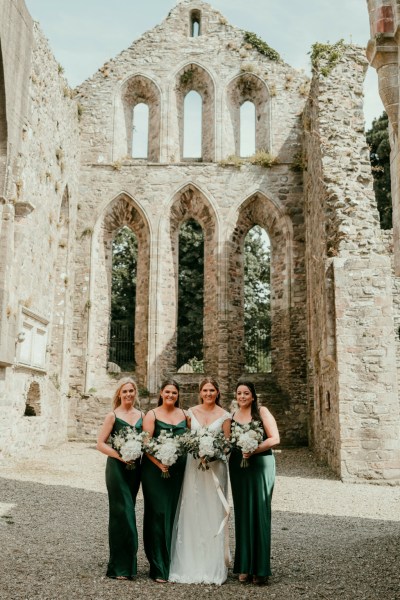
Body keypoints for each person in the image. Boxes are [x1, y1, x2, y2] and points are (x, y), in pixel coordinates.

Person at [169, 377, 231, 585]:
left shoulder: (224, 416)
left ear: (218, 392)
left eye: (212, 390)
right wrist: (197, 449)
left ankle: (212, 566)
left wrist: (213, 453)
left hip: (215, 468)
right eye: (205, 390)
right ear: (200, 392)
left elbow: (227, 445)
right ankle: (190, 563)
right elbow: (187, 439)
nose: (208, 394)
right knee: (193, 509)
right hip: (193, 468)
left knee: (212, 510)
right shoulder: (190, 413)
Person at [229, 379, 280, 585]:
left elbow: (274, 438)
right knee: (242, 514)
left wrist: (254, 449)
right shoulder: (232, 416)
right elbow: (228, 442)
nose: (242, 397)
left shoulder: (262, 412)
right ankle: (244, 566)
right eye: (239, 393)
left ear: (253, 395)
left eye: (246, 393)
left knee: (259, 513)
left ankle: (260, 569)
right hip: (238, 468)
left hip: (260, 464)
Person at [96, 377, 144, 580]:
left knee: (129, 509)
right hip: (117, 468)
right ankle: (119, 567)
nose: (128, 395)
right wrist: (119, 455)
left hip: (135, 470)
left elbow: (146, 442)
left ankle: (127, 565)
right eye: (124, 392)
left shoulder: (142, 415)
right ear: (119, 395)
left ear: (135, 393)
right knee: (122, 513)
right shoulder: (113, 416)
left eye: (131, 391)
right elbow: (100, 443)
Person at [141, 379, 188, 583]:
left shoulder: (184, 415)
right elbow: (145, 443)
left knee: (173, 513)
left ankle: (172, 561)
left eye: (174, 393)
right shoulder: (152, 415)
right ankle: (158, 565)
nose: (170, 395)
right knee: (157, 513)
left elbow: (189, 440)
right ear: (161, 393)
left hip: (177, 471)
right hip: (154, 471)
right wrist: (159, 462)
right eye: (167, 392)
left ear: (178, 395)